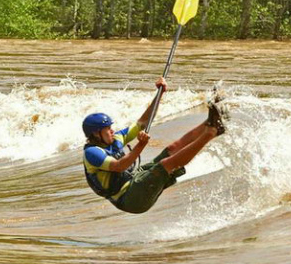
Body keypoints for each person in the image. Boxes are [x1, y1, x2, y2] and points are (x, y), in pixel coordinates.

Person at [82, 78, 227, 214]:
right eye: (108, 129)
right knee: (165, 164)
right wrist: (141, 145)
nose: (112, 130)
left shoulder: (115, 139)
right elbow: (120, 166)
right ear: (96, 134)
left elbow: (143, 122)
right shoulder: (92, 153)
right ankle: (210, 133)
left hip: (134, 180)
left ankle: (213, 124)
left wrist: (160, 94)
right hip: (129, 199)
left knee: (171, 149)